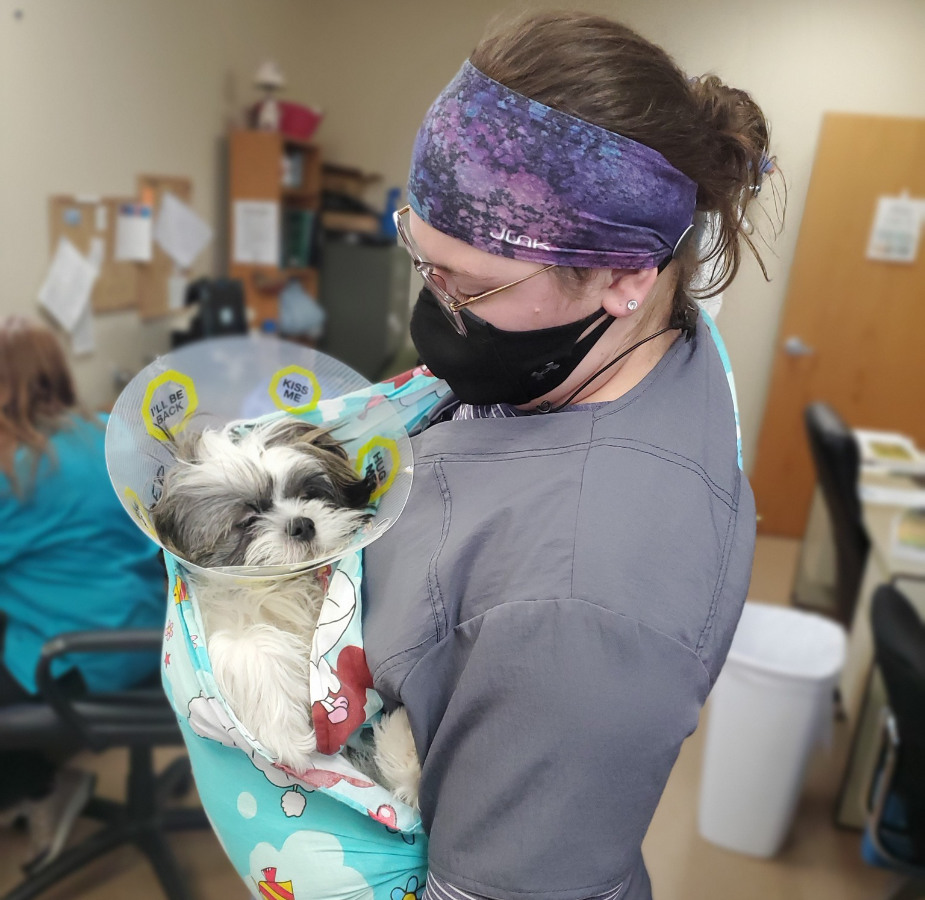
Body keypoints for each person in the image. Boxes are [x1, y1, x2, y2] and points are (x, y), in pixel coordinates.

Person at [362, 11, 780, 900]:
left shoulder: (586, 603)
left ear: (629, 276)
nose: (435, 308)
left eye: (470, 286)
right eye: (420, 255)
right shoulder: (650, 348)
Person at [0, 315, 166, 865]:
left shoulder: (15, 467)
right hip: (155, 638)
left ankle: (36, 786)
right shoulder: (107, 430)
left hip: (82, 659)